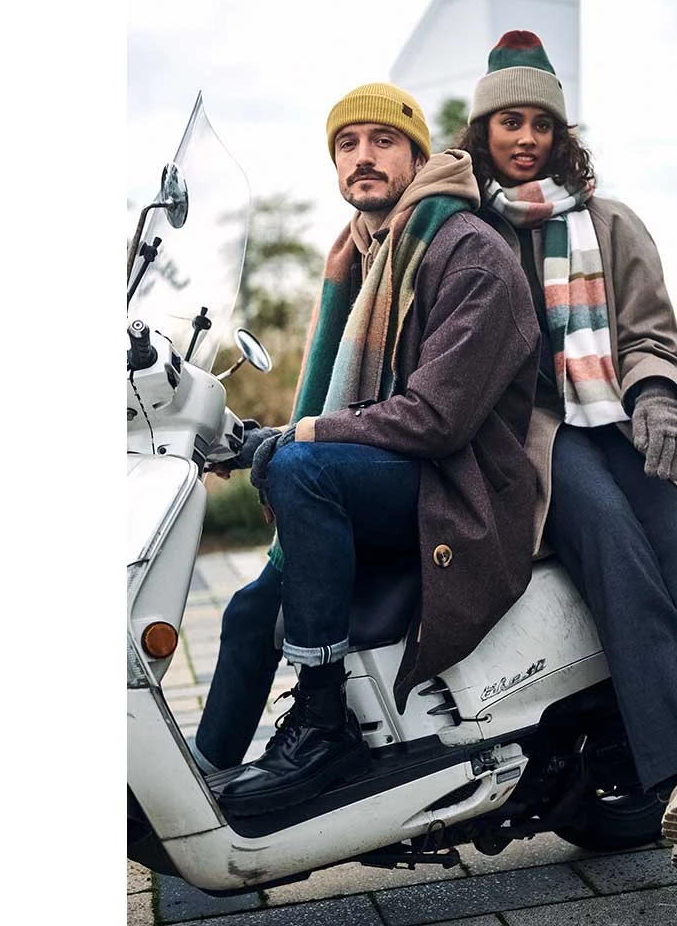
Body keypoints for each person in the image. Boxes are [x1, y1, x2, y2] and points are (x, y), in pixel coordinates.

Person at [454, 31, 677, 870]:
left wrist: (659, 399)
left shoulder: (612, 223)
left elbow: (649, 334)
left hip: (622, 418)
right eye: (510, 123)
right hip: (539, 438)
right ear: (484, 132)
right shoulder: (469, 231)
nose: (527, 138)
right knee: (610, 534)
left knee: (673, 537)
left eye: (541, 124)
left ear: (561, 134)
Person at [193, 83, 540, 815]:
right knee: (248, 614)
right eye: (346, 144)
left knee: (303, 467)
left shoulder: (469, 253)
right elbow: (344, 407)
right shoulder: (362, 256)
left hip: (460, 487)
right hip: (398, 471)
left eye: (384, 141)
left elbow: (436, 419)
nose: (363, 157)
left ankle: (324, 726)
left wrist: (300, 437)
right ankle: (195, 805)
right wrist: (253, 437)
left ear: (418, 157)